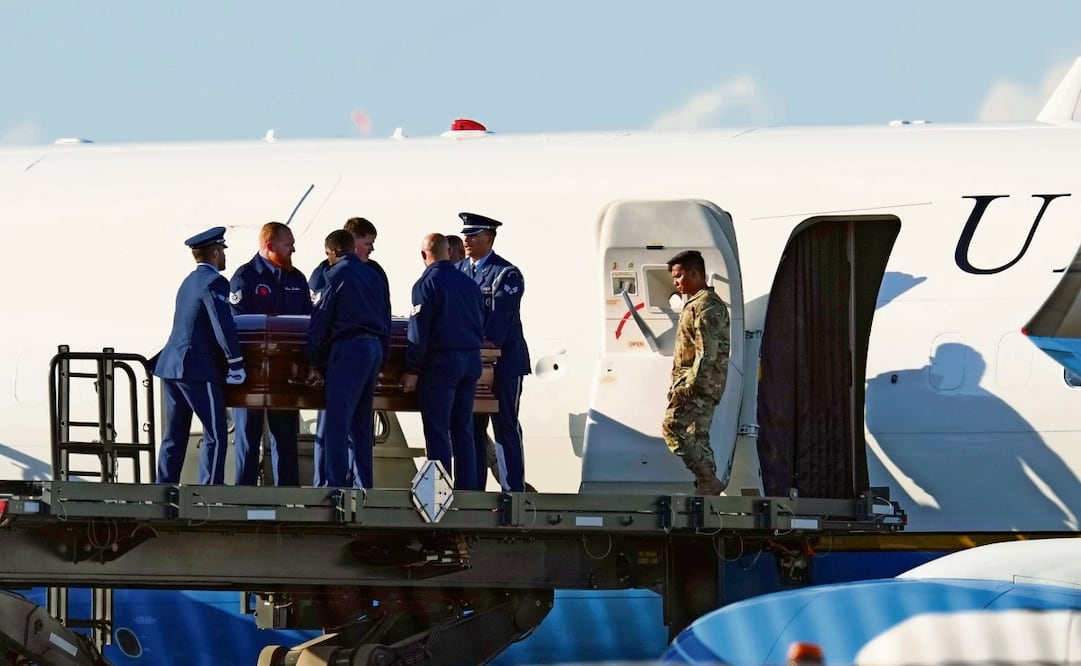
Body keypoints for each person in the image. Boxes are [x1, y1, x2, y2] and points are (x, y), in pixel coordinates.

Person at [152, 226, 246, 484]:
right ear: (215, 252)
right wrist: (235, 362)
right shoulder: (215, 282)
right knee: (215, 432)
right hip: (197, 368)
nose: (225, 256)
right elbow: (222, 324)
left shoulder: (188, 281)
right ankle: (209, 493)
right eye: (223, 251)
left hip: (171, 367)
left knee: (174, 435)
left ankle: (163, 488)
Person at [308, 217, 391, 486]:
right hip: (374, 349)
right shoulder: (374, 275)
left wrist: (313, 361)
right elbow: (386, 318)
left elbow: (320, 319)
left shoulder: (333, 274)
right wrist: (383, 359)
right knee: (361, 423)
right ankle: (364, 484)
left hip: (348, 350)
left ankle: (335, 486)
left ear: (333, 251)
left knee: (337, 422)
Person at [228, 222, 312, 486]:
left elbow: (309, 322)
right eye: (288, 245)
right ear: (270, 246)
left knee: (285, 438)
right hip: (251, 375)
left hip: (285, 375)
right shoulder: (245, 278)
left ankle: (287, 498)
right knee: (247, 439)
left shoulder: (297, 279)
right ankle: (243, 497)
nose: (294, 250)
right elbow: (236, 325)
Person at [401, 233, 485, 490]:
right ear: (449, 252)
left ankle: (439, 493)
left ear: (424, 255)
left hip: (443, 364)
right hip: (471, 361)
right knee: (463, 429)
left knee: (438, 429)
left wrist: (412, 369)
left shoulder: (426, 284)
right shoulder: (469, 283)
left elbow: (418, 331)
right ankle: (468, 490)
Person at [457, 212, 530, 492]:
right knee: (472, 426)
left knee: (505, 423)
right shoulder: (461, 271)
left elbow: (500, 317)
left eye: (473, 235)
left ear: (489, 237)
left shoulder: (506, 273)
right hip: (472, 363)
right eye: (465, 235)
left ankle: (513, 490)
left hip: (504, 363)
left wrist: (484, 343)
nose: (467, 240)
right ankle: (473, 490)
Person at [662, 249, 730, 495]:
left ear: (695, 273)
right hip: (698, 383)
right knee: (698, 436)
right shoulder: (695, 304)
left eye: (679, 276)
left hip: (699, 385)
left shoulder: (707, 306)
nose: (676, 282)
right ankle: (708, 486)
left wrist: (688, 386)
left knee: (672, 427)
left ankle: (707, 479)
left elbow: (706, 353)